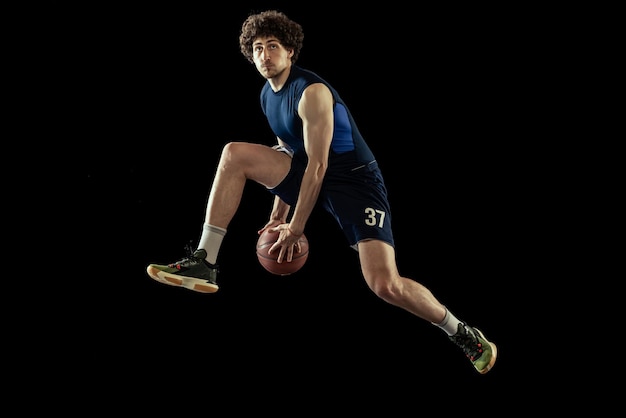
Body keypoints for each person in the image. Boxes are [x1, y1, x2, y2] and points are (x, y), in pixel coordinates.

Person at [146, 9, 497, 374]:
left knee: (385, 285)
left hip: (355, 183)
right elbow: (290, 154)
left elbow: (318, 166)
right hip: (312, 170)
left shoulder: (311, 92)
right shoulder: (267, 95)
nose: (264, 55)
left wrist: (296, 227)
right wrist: (277, 216)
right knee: (234, 153)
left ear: (290, 51)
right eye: (257, 48)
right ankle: (205, 261)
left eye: (273, 46)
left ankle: (462, 333)